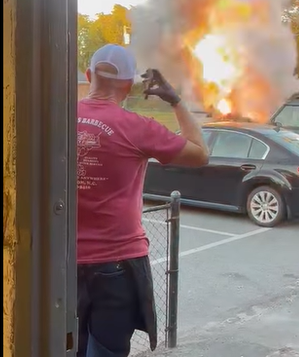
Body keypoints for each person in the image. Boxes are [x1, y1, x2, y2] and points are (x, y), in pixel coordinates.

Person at [76, 44, 209, 357]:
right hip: (117, 264)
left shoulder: (56, 117)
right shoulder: (138, 128)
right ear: (129, 85)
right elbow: (200, 154)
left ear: (89, 76)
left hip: (60, 260)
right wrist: (175, 101)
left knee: (64, 345)